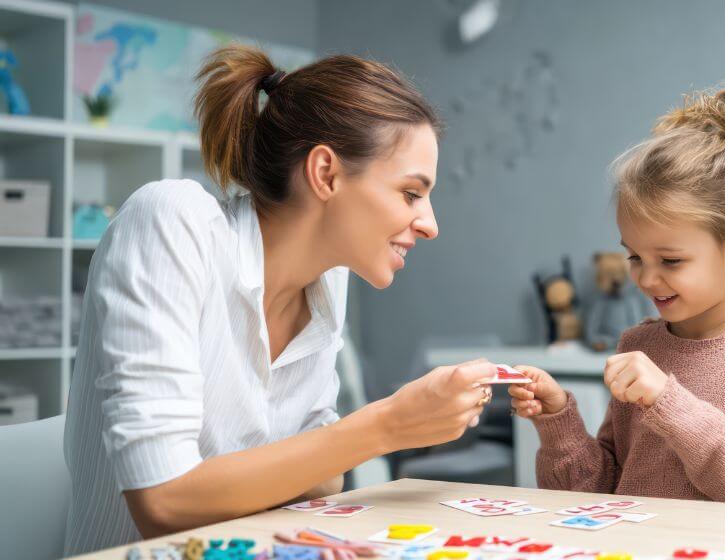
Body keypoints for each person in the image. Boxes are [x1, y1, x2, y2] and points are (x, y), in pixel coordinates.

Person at [63, 44, 496, 555]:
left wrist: (379, 431)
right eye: (410, 193)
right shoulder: (171, 222)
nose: (430, 224)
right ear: (326, 173)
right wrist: (388, 424)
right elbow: (163, 502)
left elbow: (323, 481)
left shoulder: (329, 280)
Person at [510, 86, 725, 508]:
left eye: (671, 261)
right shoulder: (639, 345)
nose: (646, 278)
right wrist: (557, 420)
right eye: (634, 257)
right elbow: (597, 495)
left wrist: (670, 403)